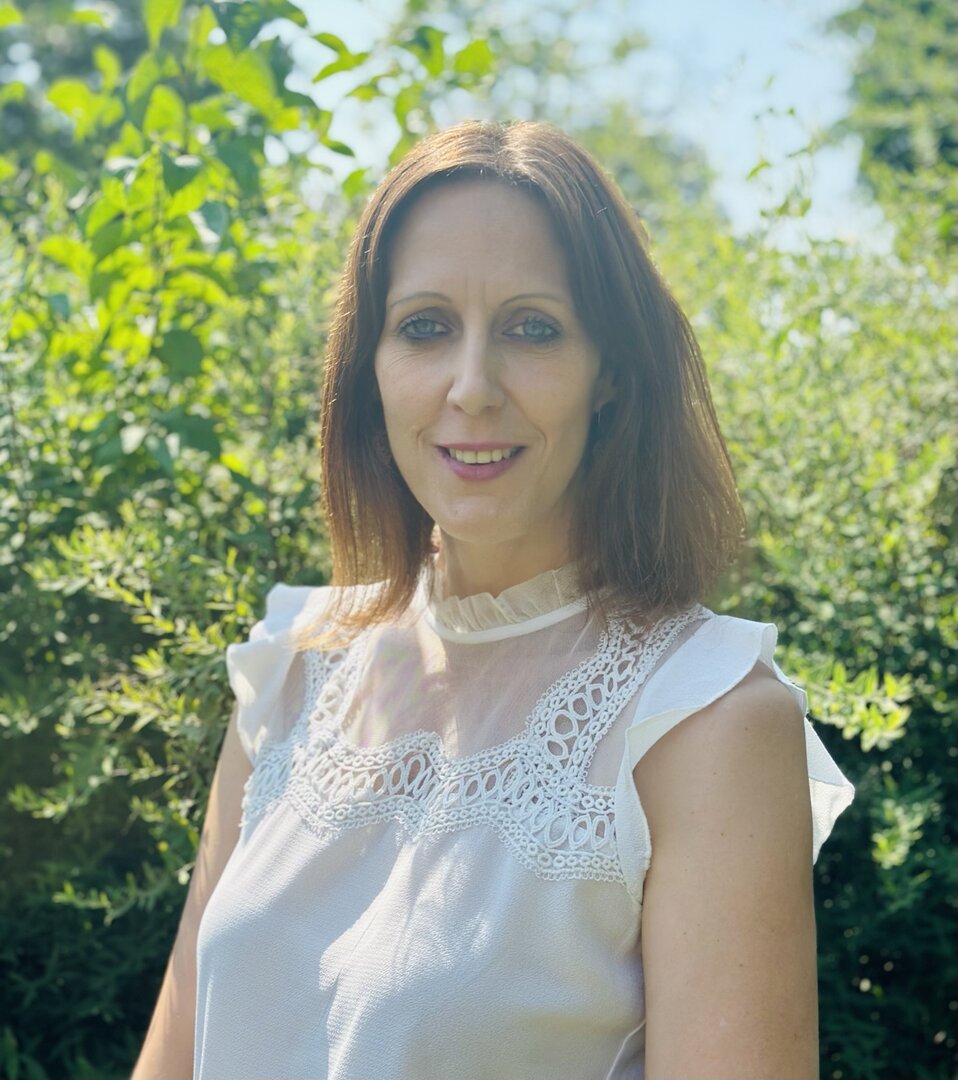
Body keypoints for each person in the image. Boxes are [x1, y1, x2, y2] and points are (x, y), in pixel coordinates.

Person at [132, 119, 855, 1080]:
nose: (471, 387)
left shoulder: (704, 721)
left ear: (611, 375)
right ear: (370, 367)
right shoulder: (294, 670)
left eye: (532, 328)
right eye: (425, 326)